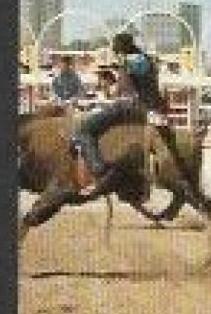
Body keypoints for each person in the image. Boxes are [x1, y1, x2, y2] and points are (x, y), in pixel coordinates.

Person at [70, 31, 168, 196]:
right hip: (142, 106)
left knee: (83, 129)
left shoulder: (136, 60)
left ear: (121, 49)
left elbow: (131, 69)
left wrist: (112, 63)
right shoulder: (142, 58)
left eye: (116, 50)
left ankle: (99, 170)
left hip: (134, 107)